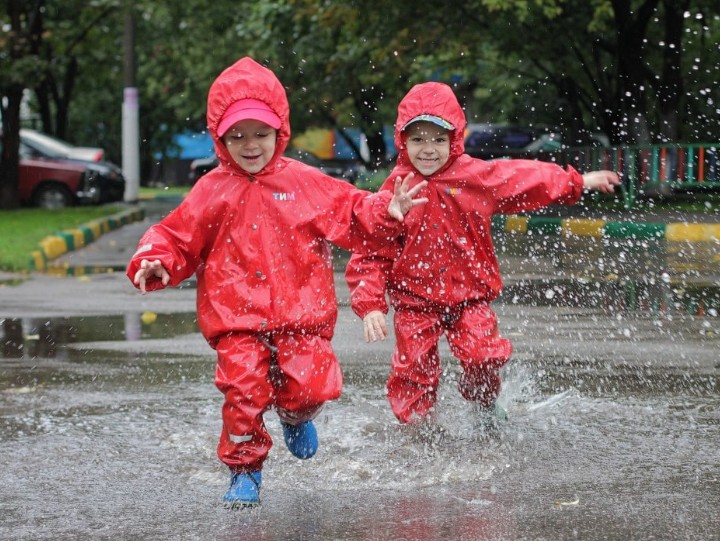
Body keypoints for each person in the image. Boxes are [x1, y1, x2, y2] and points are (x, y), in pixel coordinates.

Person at [126, 57, 427, 509]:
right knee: (243, 393)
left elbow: (349, 210)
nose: (250, 145)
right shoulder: (212, 189)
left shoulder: (303, 182)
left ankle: (294, 413)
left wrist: (386, 210)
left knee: (312, 387)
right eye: (237, 135)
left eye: (261, 134)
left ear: (280, 132)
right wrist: (156, 260)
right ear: (221, 137)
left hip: (300, 315)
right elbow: (176, 235)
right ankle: (245, 470)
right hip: (236, 320)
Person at [345, 82, 620, 428]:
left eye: (438, 139)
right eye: (417, 140)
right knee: (413, 370)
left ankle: (485, 403)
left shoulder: (474, 176)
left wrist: (578, 182)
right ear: (402, 141)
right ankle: (419, 431)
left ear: (454, 139)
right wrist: (370, 304)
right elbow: (371, 247)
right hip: (414, 302)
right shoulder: (397, 189)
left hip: (470, 297)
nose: (427, 150)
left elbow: (523, 178)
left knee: (484, 357)